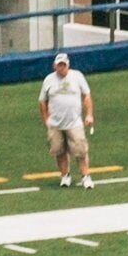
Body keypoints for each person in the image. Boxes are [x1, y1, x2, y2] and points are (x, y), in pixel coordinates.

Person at [39, 51, 99, 189]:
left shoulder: (77, 76)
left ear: (68, 65)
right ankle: (65, 175)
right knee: (58, 150)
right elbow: (42, 102)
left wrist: (89, 114)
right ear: (55, 66)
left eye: (64, 65)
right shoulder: (49, 80)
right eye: (59, 65)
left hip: (74, 122)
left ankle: (85, 176)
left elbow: (86, 96)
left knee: (80, 150)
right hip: (55, 123)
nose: (62, 68)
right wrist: (46, 120)